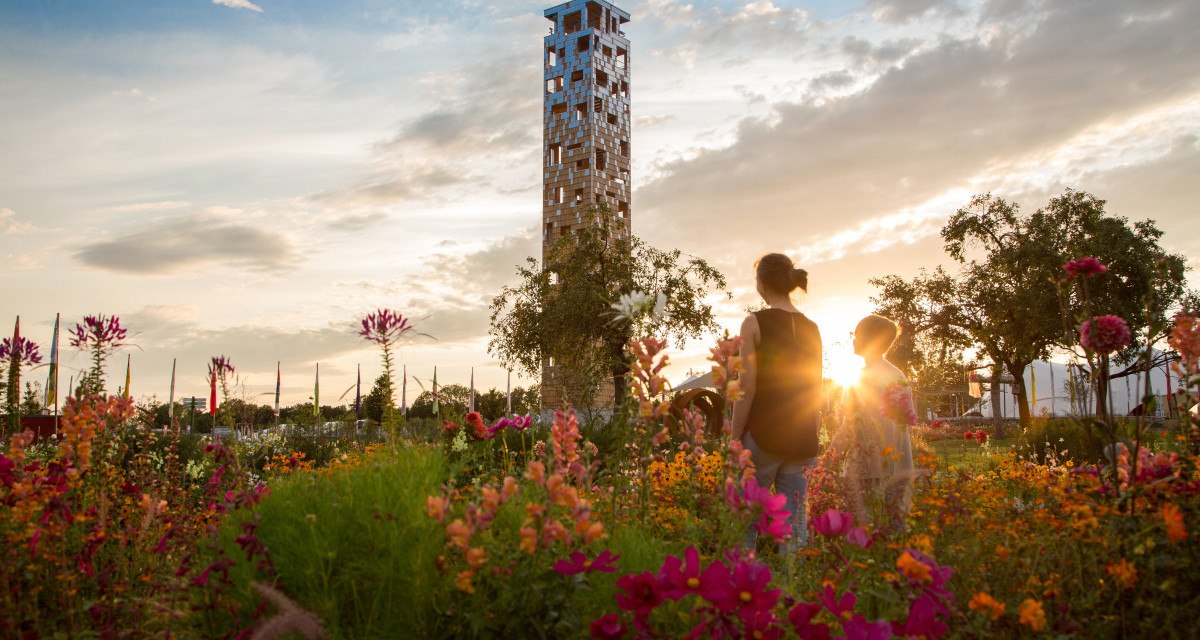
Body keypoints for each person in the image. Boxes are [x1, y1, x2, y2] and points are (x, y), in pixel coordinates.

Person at [731, 253, 823, 551]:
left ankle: (740, 583)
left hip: (763, 436)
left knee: (745, 522)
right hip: (804, 438)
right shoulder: (813, 327)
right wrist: (814, 433)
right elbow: (815, 387)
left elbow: (747, 385)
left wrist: (735, 435)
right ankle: (793, 591)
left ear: (762, 284)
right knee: (794, 526)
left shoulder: (754, 322)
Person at [828, 314, 916, 531]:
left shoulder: (861, 379)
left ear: (868, 339)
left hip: (867, 469)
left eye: (856, 334)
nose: (853, 339)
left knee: (861, 532)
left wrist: (828, 459)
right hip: (898, 466)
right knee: (894, 533)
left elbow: (850, 426)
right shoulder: (897, 375)